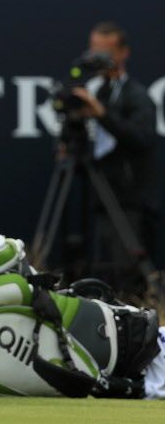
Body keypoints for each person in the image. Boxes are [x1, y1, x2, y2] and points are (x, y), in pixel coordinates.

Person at [69, 21, 159, 294]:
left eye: (105, 52)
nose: (98, 59)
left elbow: (142, 138)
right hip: (99, 199)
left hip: (130, 204)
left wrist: (102, 115)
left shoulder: (138, 96)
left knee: (126, 278)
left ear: (122, 53)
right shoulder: (95, 91)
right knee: (103, 276)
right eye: (94, 51)